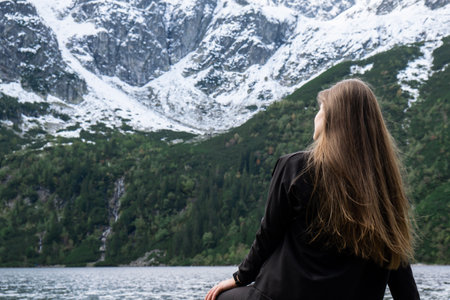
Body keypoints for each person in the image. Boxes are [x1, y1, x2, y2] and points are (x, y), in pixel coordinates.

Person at [204, 79, 420, 300]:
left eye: (321, 110)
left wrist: (240, 278)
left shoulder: (296, 168)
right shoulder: (384, 188)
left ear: (333, 120)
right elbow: (400, 272)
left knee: (220, 298)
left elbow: (268, 234)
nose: (316, 116)